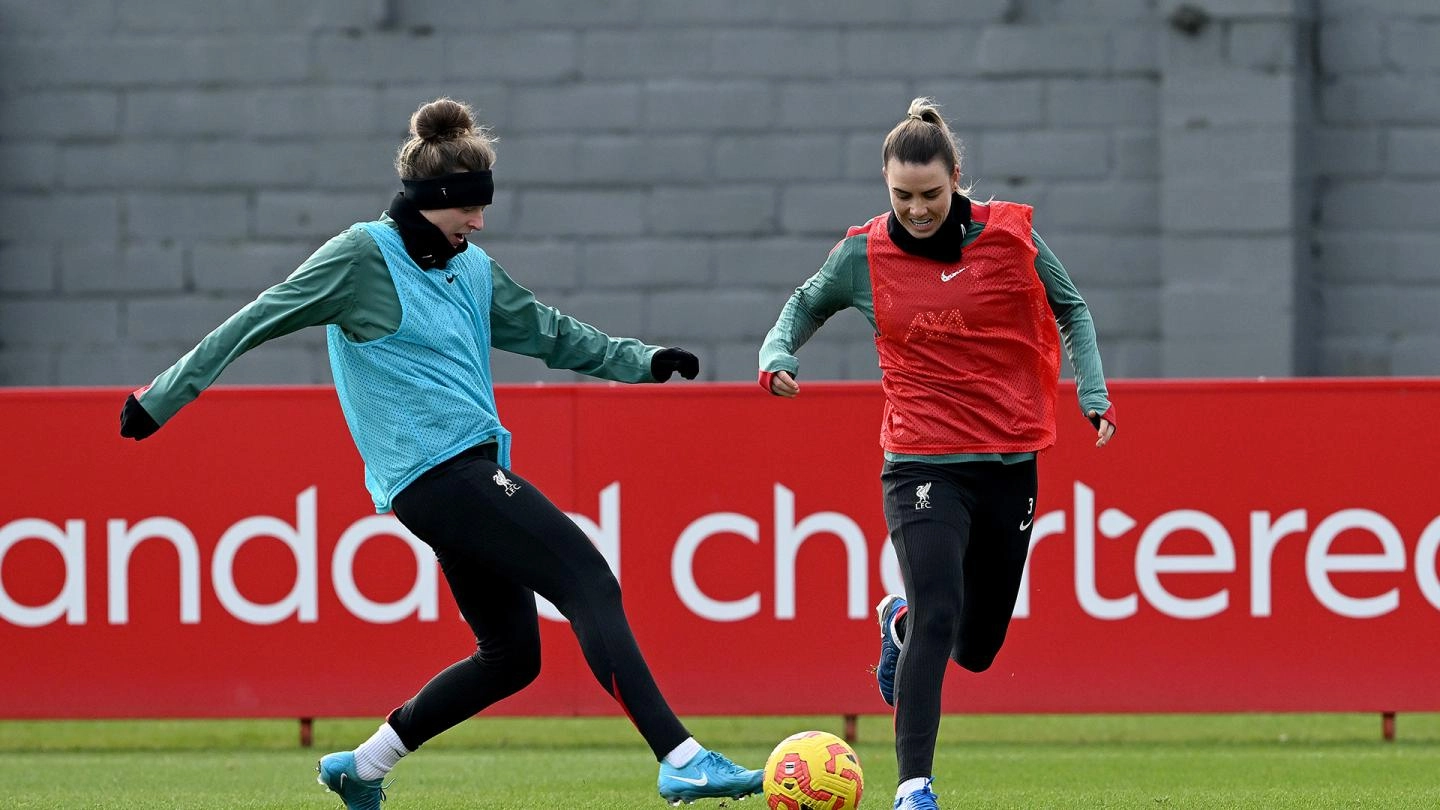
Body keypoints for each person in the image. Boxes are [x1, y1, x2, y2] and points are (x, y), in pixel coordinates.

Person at [119, 97, 763, 809]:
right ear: (433, 201)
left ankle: (363, 767)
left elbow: (549, 332)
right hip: (440, 477)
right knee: (587, 577)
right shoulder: (361, 256)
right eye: (469, 208)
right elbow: (259, 317)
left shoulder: (472, 267)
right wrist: (163, 397)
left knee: (512, 658)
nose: (481, 222)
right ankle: (681, 757)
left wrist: (642, 361)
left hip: (465, 478)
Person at [757, 97, 1116, 810]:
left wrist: (1093, 391)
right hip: (921, 460)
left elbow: (1070, 307)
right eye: (901, 196)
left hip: (1010, 460)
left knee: (977, 649)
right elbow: (804, 302)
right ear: (885, 186)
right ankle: (914, 787)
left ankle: (898, 622)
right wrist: (776, 349)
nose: (916, 210)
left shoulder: (1011, 238)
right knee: (941, 609)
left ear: (956, 178)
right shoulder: (864, 251)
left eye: (930, 195)